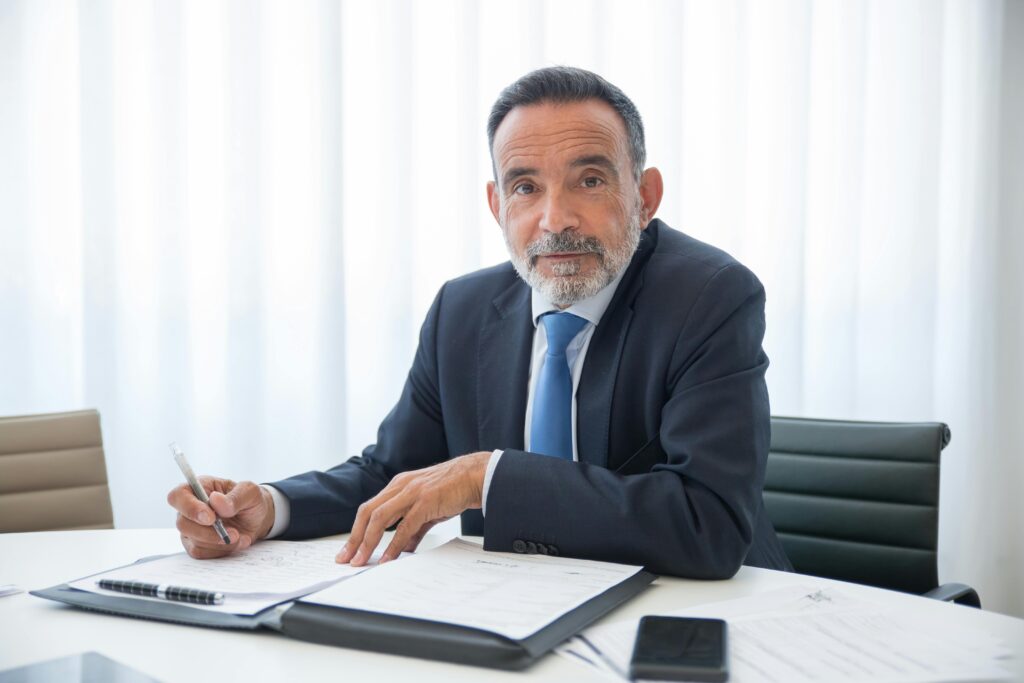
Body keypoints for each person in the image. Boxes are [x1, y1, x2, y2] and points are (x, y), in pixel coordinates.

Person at [168, 66, 792, 578]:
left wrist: (484, 476)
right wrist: (268, 508)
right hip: (510, 614)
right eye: (525, 187)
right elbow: (392, 472)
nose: (556, 219)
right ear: (496, 204)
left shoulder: (710, 298)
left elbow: (707, 523)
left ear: (645, 196)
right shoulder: (461, 311)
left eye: (591, 179)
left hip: (695, 618)